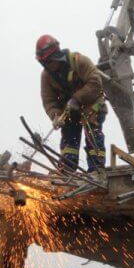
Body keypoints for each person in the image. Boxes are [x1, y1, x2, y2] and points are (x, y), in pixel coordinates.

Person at [36, 34, 106, 172]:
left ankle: (96, 170)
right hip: (68, 112)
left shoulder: (79, 61)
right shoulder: (46, 76)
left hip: (92, 108)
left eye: (49, 61)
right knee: (69, 141)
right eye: (44, 63)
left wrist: (76, 99)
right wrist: (55, 116)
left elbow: (95, 82)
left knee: (93, 135)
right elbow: (48, 101)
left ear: (56, 56)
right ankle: (68, 172)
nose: (47, 66)